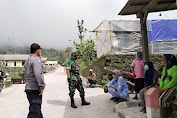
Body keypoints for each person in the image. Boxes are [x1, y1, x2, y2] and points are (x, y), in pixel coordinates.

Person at [24, 43, 46, 118]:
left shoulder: (28, 60)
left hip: (29, 88)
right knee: (34, 112)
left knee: (36, 110)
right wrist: (41, 85)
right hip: (34, 89)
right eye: (39, 50)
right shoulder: (36, 59)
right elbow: (38, 74)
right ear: (38, 51)